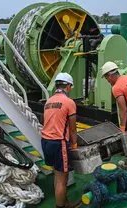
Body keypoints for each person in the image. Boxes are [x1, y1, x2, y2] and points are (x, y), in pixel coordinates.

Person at [41, 73, 80, 208]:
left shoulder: (49, 101)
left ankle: (65, 203)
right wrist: (74, 146)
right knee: (62, 181)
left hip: (45, 141)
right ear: (68, 86)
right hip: (59, 143)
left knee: (57, 176)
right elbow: (73, 129)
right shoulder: (69, 102)